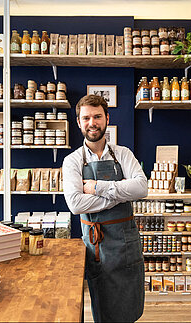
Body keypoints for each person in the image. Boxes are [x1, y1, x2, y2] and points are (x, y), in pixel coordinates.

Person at [62, 94, 148, 322]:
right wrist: (119, 195)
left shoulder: (123, 154)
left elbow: (141, 188)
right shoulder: (72, 161)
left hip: (127, 243)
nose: (93, 122)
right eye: (87, 118)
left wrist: (98, 187)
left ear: (106, 118)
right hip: (98, 247)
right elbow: (76, 203)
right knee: (104, 309)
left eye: (97, 116)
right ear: (79, 122)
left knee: (130, 308)